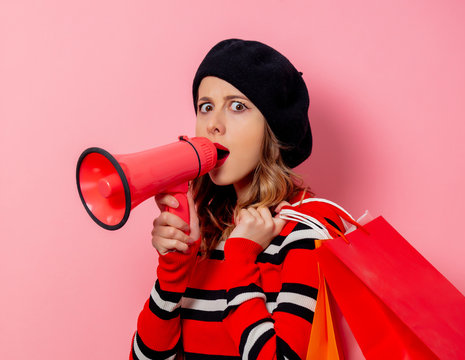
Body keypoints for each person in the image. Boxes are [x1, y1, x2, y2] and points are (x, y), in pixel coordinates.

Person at [130, 38, 344, 360]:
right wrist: (173, 273)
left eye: (238, 106)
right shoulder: (207, 233)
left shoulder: (303, 233)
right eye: (206, 107)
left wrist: (240, 262)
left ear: (272, 129)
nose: (213, 124)